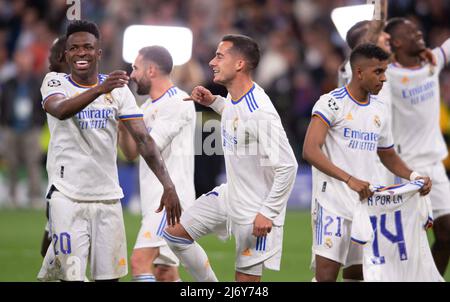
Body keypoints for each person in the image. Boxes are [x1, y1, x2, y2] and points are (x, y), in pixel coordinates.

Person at [38, 20, 181, 282]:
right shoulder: (55, 82)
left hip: (108, 200)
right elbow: (60, 110)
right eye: (75, 48)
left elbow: (144, 140)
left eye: (88, 47)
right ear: (66, 54)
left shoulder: (119, 90)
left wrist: (168, 185)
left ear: (98, 53)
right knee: (71, 277)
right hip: (67, 199)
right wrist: (100, 89)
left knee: (109, 279)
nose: (82, 52)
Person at [163, 34, 298, 282]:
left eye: (219, 56)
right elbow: (237, 116)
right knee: (174, 234)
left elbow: (288, 166)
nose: (212, 62)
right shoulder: (237, 99)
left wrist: (268, 212)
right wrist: (214, 102)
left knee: (245, 284)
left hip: (254, 209)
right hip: (231, 196)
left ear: (239, 65)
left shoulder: (260, 111)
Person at [302, 43, 431, 282]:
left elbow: (388, 154)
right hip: (332, 204)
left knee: (359, 275)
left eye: (385, 72)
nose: (384, 79)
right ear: (359, 72)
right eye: (378, 72)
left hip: (366, 205)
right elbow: (310, 149)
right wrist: (349, 179)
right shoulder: (332, 102)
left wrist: (414, 177)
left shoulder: (380, 109)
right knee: (326, 277)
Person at [117, 46, 196, 282]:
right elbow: (131, 153)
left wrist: (132, 121)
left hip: (172, 202)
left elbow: (152, 145)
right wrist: (123, 122)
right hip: (154, 201)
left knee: (140, 261)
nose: (131, 75)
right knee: (166, 273)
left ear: (151, 70)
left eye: (135, 68)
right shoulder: (146, 108)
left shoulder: (179, 101)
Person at [384, 17, 450, 276]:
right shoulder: (386, 74)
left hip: (435, 166)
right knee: (408, 244)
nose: (418, 32)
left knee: (447, 235)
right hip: (405, 170)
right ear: (397, 42)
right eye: (410, 32)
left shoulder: (432, 63)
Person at [351, 179, 443, 282]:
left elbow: (359, 237)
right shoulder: (415, 191)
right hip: (413, 269)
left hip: (378, 272)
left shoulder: (364, 200)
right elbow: (428, 222)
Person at [40, 35, 69, 259]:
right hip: (59, 184)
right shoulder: (53, 81)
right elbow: (60, 109)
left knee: (58, 257)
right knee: (51, 253)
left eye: (52, 54)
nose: (48, 59)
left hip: (74, 187)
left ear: (61, 56)